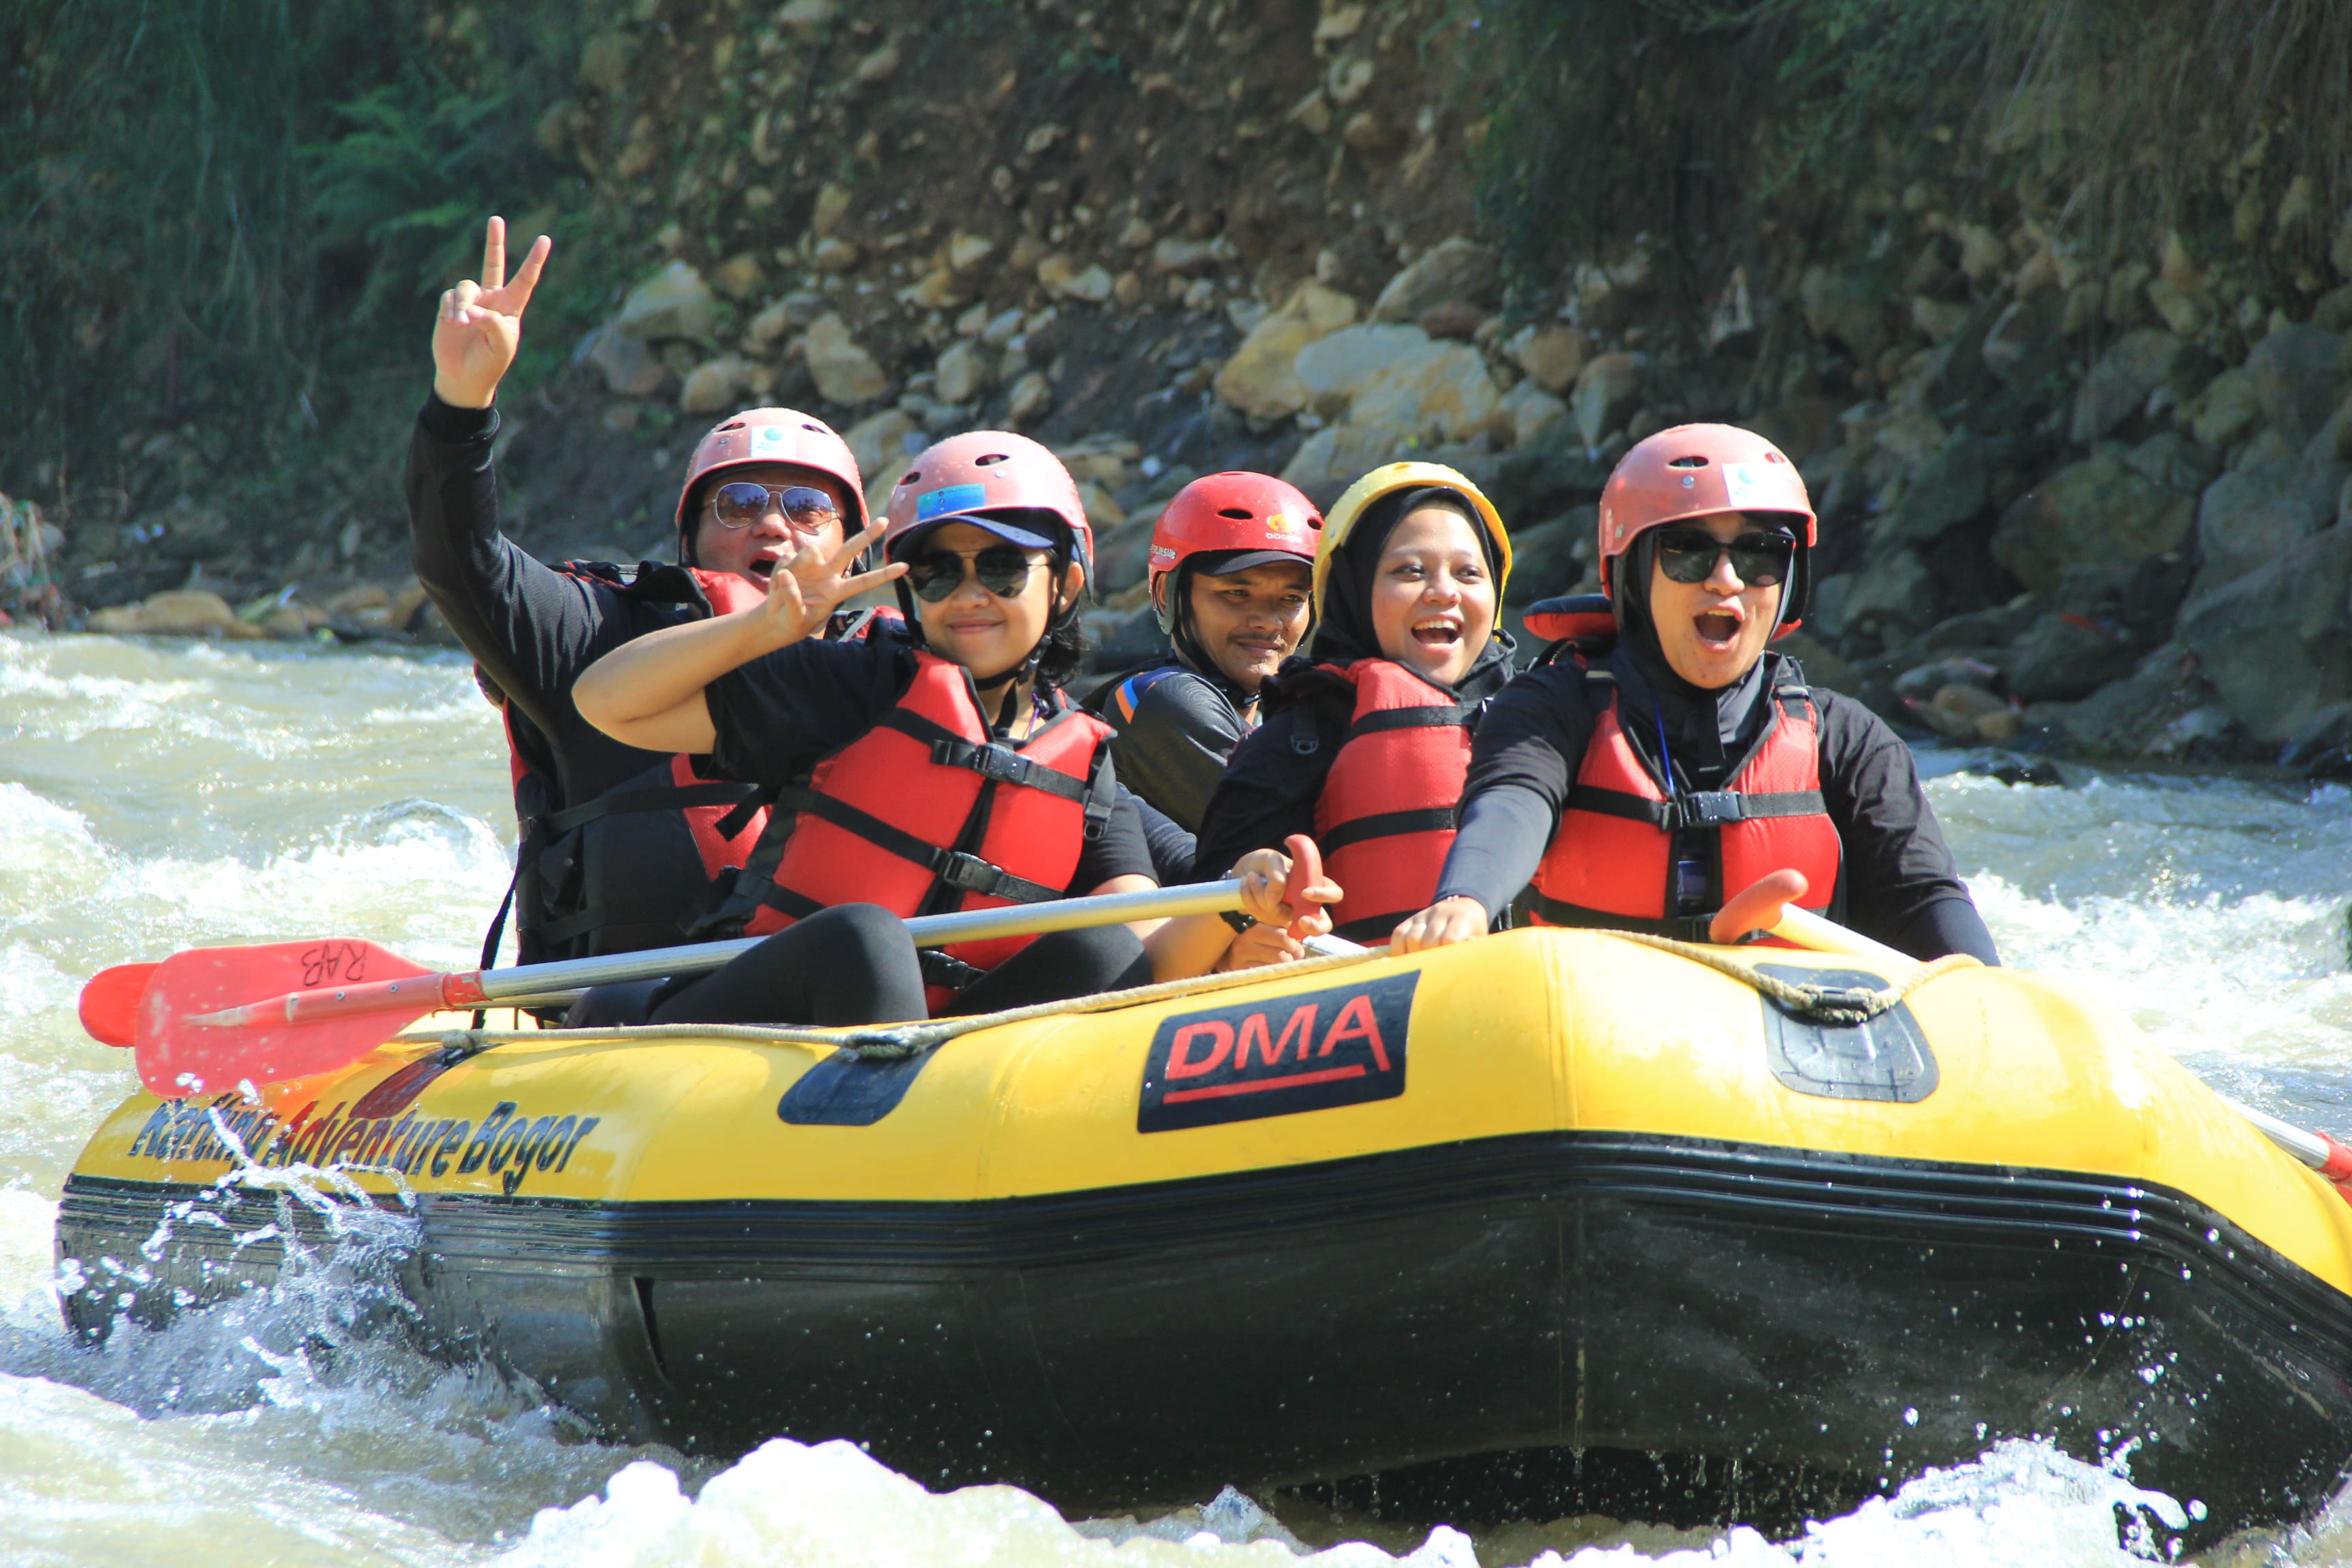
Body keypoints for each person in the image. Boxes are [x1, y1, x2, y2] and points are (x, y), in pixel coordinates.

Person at [572, 431, 1324, 1025]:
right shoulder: (858, 681)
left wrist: (1237, 902)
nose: (969, 595)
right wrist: (761, 633)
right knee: (866, 938)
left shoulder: (1084, 758)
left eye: (1001, 569)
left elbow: (1142, 944)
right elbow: (608, 704)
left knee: (1097, 943)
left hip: (941, 1052)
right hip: (760, 1023)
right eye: (937, 572)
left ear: (1064, 582)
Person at [409, 217, 877, 971]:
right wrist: (462, 404)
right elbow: (460, 561)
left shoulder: (894, 670)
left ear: (856, 547)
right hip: (622, 1019)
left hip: (837, 1005)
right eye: (740, 503)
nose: (773, 527)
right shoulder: (598, 633)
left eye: (807, 510)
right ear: (688, 542)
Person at [1390, 423, 2001, 963]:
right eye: (1688, 551)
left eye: (1762, 553)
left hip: (1796, 1049)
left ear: (1789, 581)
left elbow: (1921, 895)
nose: (1726, 579)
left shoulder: (1850, 739)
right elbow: (1512, 802)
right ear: (1633, 573)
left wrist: (1983, 986)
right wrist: (1466, 900)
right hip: (1599, 1041)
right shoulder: (1550, 708)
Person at [1164, 463, 1514, 973]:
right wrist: (1235, 953)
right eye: (1409, 571)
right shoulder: (1293, 741)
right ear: (1352, 589)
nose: (1444, 592)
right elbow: (1207, 934)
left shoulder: (1539, 720)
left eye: (1468, 572)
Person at [1088, 473, 1320, 849]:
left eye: (1292, 599)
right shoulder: (1166, 701)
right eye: (1237, 593)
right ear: (1167, 594)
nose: (1269, 621)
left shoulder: (1286, 709)